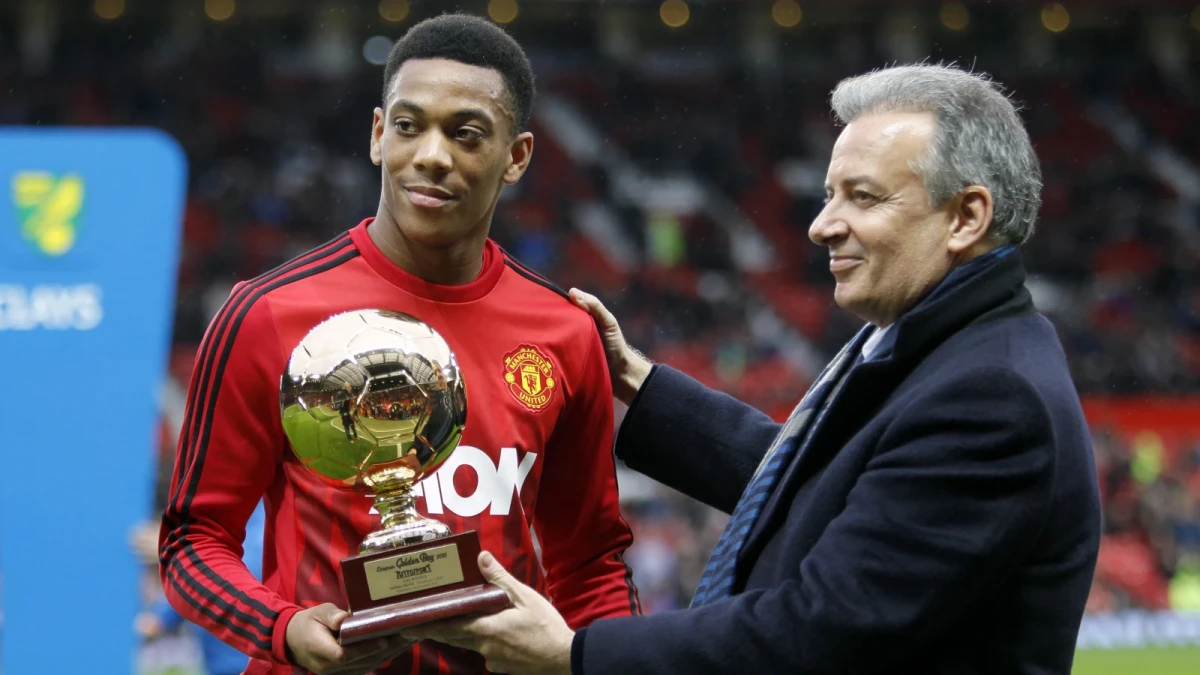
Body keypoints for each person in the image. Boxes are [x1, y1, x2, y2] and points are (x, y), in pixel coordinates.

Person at [404, 63, 1103, 675]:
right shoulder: (936, 344)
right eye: (830, 195)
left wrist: (579, 654)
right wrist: (640, 381)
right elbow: (817, 486)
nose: (821, 225)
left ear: (966, 216)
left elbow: (818, 629)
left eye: (862, 197)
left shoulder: (990, 396)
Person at [157, 14, 639, 675]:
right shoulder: (265, 314)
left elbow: (590, 565)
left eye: (466, 134)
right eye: (410, 126)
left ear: (517, 156)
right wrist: (285, 627)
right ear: (380, 135)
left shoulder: (564, 332)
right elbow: (191, 541)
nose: (432, 154)